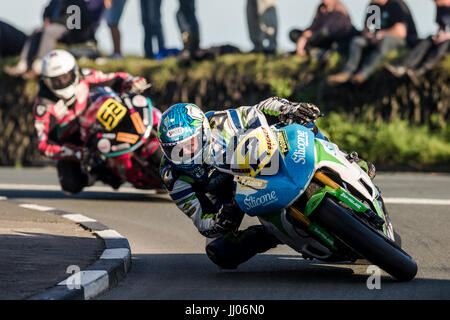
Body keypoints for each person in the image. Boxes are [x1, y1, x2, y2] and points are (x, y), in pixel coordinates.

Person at [157, 97, 376, 269]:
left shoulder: (223, 121)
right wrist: (218, 220)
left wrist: (289, 108)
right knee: (220, 251)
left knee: (304, 123)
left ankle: (348, 159)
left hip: (261, 158)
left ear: (203, 131)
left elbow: (261, 108)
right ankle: (275, 233)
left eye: (190, 144)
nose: (184, 153)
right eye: (174, 149)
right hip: (229, 198)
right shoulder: (173, 175)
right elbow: (198, 218)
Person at [33, 49, 149, 194]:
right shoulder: (43, 106)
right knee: (70, 184)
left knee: (125, 104)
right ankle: (105, 173)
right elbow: (43, 144)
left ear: (74, 72)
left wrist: (130, 81)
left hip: (97, 120)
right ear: (47, 81)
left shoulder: (84, 76)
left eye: (65, 77)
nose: (62, 83)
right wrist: (73, 152)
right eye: (56, 81)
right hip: (74, 141)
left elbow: (114, 78)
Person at [327, 0, 417, 84]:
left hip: (402, 40)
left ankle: (363, 74)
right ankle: (347, 72)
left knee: (386, 41)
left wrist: (381, 35)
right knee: (357, 41)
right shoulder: (374, 7)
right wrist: (370, 36)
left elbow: (400, 32)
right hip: (377, 39)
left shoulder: (396, 4)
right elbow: (367, 29)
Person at [3, 0, 92, 79]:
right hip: (53, 24)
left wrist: (52, 22)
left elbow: (71, 19)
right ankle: (24, 63)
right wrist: (46, 19)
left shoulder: (77, 2)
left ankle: (39, 63)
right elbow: (46, 10)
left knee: (49, 31)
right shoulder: (55, 1)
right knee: (37, 31)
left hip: (69, 29)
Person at [385, 0, 450, 84]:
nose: (435, 3)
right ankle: (403, 66)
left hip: (447, 41)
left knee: (444, 44)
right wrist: (439, 34)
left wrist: (447, 36)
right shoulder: (440, 7)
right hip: (443, 38)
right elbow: (441, 26)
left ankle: (421, 70)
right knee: (428, 40)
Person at [289, 0, 356, 57]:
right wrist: (305, 35)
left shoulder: (339, 9)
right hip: (316, 37)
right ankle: (312, 49)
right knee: (294, 33)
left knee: (323, 32)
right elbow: (314, 24)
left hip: (332, 40)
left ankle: (311, 48)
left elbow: (329, 29)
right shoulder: (321, 7)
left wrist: (307, 38)